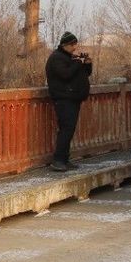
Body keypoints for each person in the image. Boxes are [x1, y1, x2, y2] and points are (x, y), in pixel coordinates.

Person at [44, 31, 92, 172]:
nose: (75, 47)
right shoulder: (56, 58)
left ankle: (64, 159)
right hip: (63, 99)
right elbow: (66, 74)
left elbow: (84, 74)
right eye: (73, 44)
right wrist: (77, 62)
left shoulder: (68, 58)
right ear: (66, 44)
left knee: (69, 130)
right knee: (66, 129)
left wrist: (87, 64)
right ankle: (58, 160)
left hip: (72, 98)